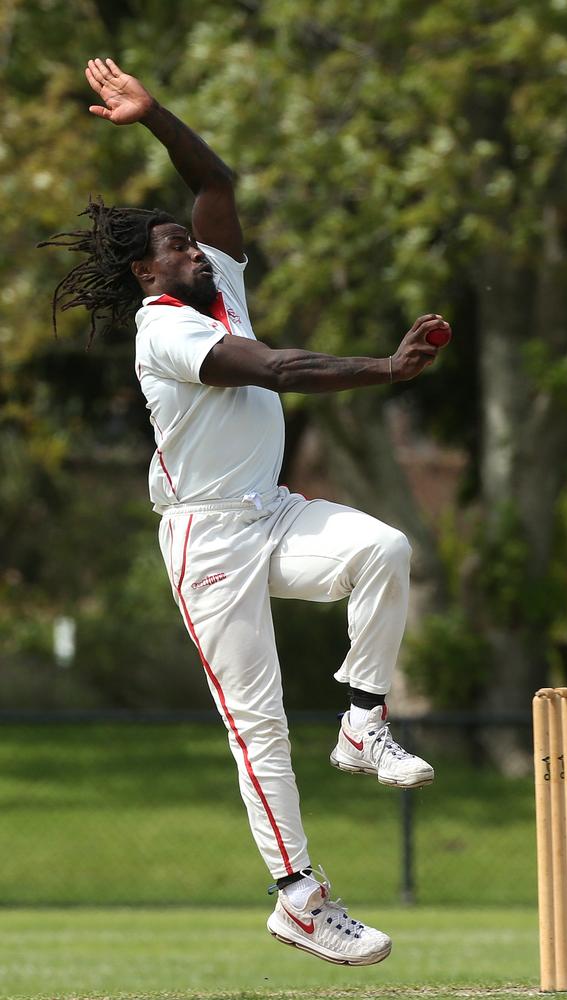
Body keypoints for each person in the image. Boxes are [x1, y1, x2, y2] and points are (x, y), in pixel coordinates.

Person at [41, 57, 449, 967]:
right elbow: (277, 370)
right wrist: (383, 371)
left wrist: (154, 117)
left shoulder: (214, 278)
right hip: (209, 541)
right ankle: (299, 897)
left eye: (192, 242)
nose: (194, 248)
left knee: (383, 547)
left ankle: (362, 720)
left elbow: (216, 181)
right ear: (147, 272)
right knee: (256, 723)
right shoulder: (169, 329)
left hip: (268, 512)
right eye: (176, 248)